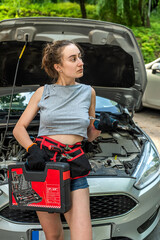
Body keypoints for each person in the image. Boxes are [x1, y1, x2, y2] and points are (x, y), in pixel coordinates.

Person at [13, 40, 101, 240]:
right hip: (44, 165)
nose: (80, 62)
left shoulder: (89, 92)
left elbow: (88, 135)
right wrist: (32, 148)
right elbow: (19, 128)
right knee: (53, 235)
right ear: (58, 67)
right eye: (73, 59)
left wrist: (100, 127)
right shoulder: (43, 92)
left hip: (75, 165)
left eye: (80, 57)